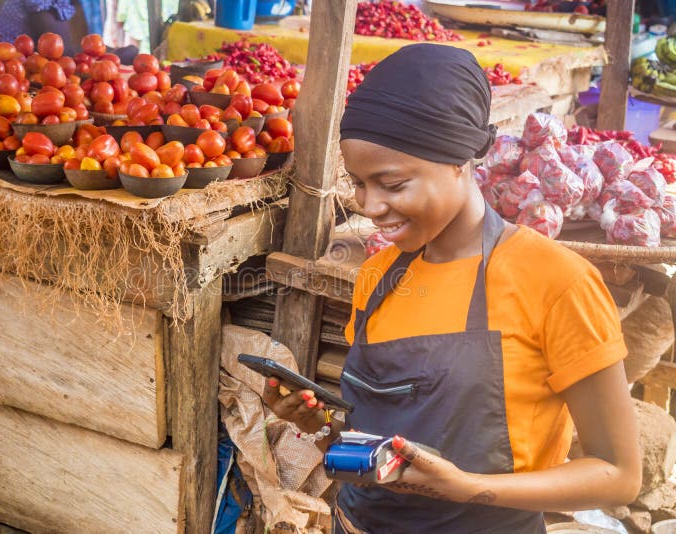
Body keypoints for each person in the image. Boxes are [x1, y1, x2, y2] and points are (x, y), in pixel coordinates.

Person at [263, 44, 641, 533]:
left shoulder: (557, 282)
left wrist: (468, 487)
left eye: (393, 185)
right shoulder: (377, 277)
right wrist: (318, 425)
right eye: (358, 183)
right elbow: (384, 442)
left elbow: (618, 474)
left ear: (460, 162)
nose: (370, 206)